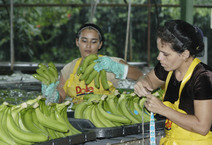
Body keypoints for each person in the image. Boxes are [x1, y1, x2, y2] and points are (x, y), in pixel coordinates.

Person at [134, 20, 212, 144]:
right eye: (159, 52)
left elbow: (202, 127)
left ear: (185, 54)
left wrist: (163, 109)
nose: (159, 58)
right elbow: (148, 81)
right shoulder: (167, 67)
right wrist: (141, 84)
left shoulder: (203, 78)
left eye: (165, 54)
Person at [57, 23, 143, 103]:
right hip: (78, 116)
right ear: (77, 42)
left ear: (100, 44)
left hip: (105, 115)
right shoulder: (69, 68)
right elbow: (61, 95)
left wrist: (116, 67)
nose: (88, 45)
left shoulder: (110, 63)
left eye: (94, 42)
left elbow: (139, 75)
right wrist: (54, 96)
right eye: (84, 41)